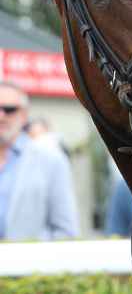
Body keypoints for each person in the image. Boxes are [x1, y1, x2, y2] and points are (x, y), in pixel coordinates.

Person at [0, 82, 79, 240]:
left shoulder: (51, 160)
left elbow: (66, 231)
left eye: (9, 110)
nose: (1, 116)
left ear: (24, 115)